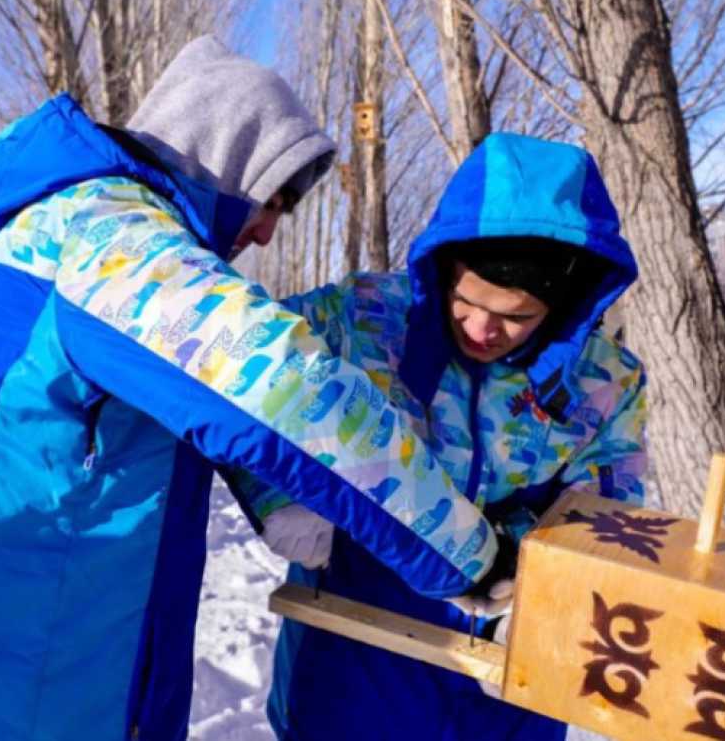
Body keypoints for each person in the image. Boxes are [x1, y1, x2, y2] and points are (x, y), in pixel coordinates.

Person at [0, 36, 505, 741]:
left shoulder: (61, 232)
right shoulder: (112, 244)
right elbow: (288, 393)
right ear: (223, 160)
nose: (268, 232)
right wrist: (468, 553)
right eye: (273, 199)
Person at [232, 134, 648, 741]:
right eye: (467, 300)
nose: (483, 329)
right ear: (445, 266)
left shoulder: (604, 378)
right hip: (359, 628)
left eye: (516, 316)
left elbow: (610, 507)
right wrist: (275, 493)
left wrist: (541, 569)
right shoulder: (361, 317)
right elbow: (235, 371)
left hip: (511, 648)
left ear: (563, 306)